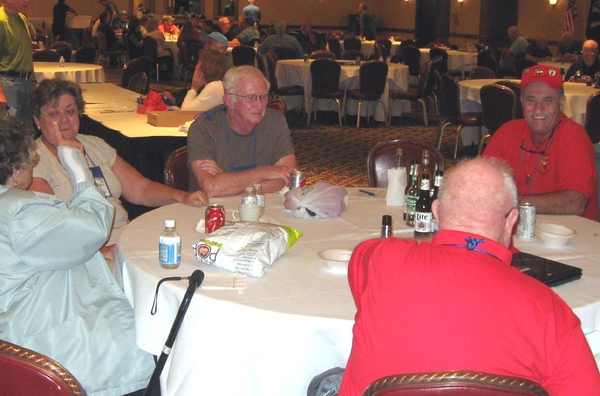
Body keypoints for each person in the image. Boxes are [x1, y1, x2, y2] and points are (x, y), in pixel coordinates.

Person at [338, 157, 600, 396]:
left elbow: (362, 256)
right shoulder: (551, 313)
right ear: (512, 221)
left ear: (437, 212)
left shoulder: (384, 260)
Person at [0, 116, 154, 395]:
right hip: (34, 334)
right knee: (150, 334)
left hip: (15, 322)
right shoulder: (17, 210)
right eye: (29, 161)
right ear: (16, 168)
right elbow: (93, 226)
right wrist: (75, 163)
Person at [29, 79, 208, 263]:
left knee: (188, 253)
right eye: (54, 114)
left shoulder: (94, 144)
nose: (64, 120)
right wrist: (98, 252)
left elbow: (141, 189)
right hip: (83, 257)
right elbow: (50, 231)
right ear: (37, 121)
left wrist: (183, 197)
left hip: (125, 239)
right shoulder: (34, 162)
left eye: (70, 111)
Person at [482, 64, 598, 220]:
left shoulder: (574, 137)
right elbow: (481, 181)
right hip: (518, 229)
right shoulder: (507, 132)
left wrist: (513, 203)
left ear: (561, 102)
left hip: (571, 234)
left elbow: (575, 203)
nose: (538, 109)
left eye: (547, 100)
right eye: (531, 99)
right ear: (522, 101)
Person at [187, 65, 296, 196]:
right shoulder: (204, 128)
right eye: (251, 97)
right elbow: (211, 188)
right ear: (229, 100)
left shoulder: (275, 121)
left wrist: (228, 181)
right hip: (212, 210)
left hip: (263, 207)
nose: (259, 106)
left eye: (263, 97)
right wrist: (266, 172)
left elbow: (289, 177)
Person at [0, 0, 35, 120]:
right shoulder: (1, 20)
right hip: (9, 82)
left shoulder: (22, 19)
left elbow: (26, 53)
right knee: (10, 129)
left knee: (27, 126)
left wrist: (33, 81)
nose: (27, 0)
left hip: (26, 82)